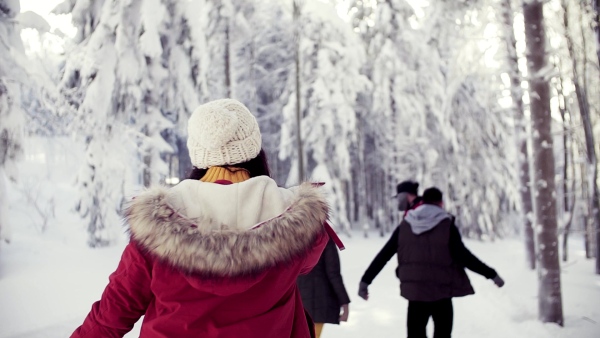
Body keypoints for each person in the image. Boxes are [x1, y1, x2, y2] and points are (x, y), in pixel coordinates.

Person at [71, 99, 332, 338]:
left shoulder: (158, 224)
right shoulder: (294, 216)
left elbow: (112, 313)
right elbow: (308, 262)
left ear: (198, 151)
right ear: (254, 149)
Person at [358, 187, 505, 338]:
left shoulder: (405, 225)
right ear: (441, 203)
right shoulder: (447, 225)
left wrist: (365, 281)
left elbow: (384, 255)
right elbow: (465, 256)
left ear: (422, 202)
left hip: (416, 295)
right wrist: (491, 274)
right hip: (441, 293)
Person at [297, 238, 351, 338]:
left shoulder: (288, 235)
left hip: (295, 303)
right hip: (319, 304)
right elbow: (333, 274)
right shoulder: (323, 237)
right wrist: (345, 303)